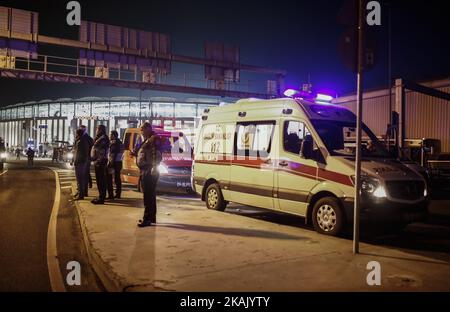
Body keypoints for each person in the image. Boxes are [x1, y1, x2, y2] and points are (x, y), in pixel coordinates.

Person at [137, 122, 162, 227]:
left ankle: (147, 218)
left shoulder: (153, 139)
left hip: (149, 171)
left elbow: (156, 155)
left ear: (147, 128)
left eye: (142, 129)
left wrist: (154, 167)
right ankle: (151, 217)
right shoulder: (148, 139)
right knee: (150, 195)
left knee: (148, 195)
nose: (141, 132)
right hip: (147, 169)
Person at [91, 125, 110, 205]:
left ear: (100, 130)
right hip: (98, 161)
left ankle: (101, 198)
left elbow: (102, 151)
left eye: (97, 129)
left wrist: (98, 160)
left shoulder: (103, 139)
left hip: (100, 162)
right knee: (99, 180)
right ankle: (100, 196)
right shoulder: (100, 138)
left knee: (101, 180)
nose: (96, 130)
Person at [73, 129, 90, 200]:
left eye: (76, 133)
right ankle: (81, 193)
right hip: (83, 161)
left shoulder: (80, 142)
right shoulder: (84, 141)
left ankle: (80, 195)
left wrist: (75, 161)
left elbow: (77, 153)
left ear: (78, 134)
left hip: (80, 162)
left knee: (79, 179)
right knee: (82, 178)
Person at [107, 130, 124, 200]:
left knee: (111, 178)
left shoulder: (114, 143)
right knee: (117, 178)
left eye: (110, 134)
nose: (109, 136)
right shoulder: (120, 142)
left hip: (114, 162)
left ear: (113, 135)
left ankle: (115, 194)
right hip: (119, 162)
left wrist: (110, 164)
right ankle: (118, 193)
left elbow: (112, 154)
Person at [80, 125, 94, 193]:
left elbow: (92, 147)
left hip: (86, 158)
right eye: (81, 129)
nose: (82, 130)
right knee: (82, 174)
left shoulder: (88, 138)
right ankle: (82, 189)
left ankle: (84, 190)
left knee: (85, 173)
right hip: (81, 158)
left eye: (83, 129)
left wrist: (90, 156)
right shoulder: (79, 137)